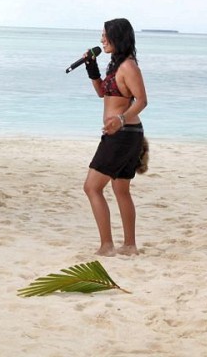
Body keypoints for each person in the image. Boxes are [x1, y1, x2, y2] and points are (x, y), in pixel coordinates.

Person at [82, 18, 148, 257]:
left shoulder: (129, 66)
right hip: (123, 134)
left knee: (91, 187)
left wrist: (120, 120)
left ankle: (107, 245)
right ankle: (129, 246)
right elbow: (103, 92)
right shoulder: (115, 65)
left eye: (105, 35)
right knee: (121, 190)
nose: (101, 39)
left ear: (117, 37)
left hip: (123, 134)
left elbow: (142, 100)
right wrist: (92, 67)